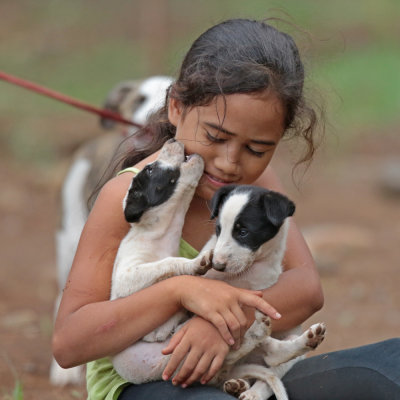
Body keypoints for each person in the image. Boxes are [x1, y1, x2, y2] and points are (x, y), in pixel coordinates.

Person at [53, 18, 400, 400]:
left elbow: (305, 288)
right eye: (215, 137)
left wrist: (224, 325)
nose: (230, 163)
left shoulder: (257, 185)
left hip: (239, 371)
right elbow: (70, 342)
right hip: (144, 382)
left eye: (257, 149)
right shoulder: (128, 195)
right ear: (176, 108)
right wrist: (181, 291)